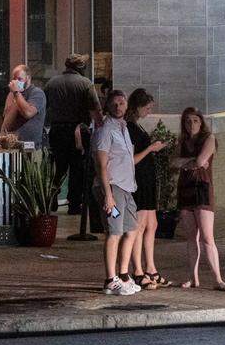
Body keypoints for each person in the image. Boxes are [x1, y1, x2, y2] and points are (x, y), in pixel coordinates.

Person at [174, 107, 225, 292]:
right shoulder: (182, 141)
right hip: (185, 189)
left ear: (201, 122)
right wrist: (189, 162)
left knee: (207, 237)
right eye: (187, 121)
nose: (191, 125)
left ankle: (218, 279)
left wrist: (187, 163)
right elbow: (173, 162)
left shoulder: (209, 138)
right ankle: (193, 278)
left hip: (202, 188)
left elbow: (201, 162)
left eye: (195, 121)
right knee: (191, 238)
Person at [92, 91, 140, 296]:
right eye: (115, 103)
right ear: (108, 107)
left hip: (127, 187)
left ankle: (123, 274)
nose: (119, 106)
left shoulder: (124, 128)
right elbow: (102, 165)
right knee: (114, 232)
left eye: (122, 103)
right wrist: (108, 195)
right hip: (113, 187)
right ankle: (110, 279)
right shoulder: (105, 130)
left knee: (131, 230)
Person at [45, 54, 102, 216]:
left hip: (56, 131)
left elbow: (45, 107)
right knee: (77, 169)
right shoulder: (85, 84)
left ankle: (51, 198)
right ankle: (74, 204)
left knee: (58, 167)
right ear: (81, 68)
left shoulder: (51, 83)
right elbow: (96, 111)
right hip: (78, 132)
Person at [125, 89, 171, 291]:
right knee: (139, 226)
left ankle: (151, 268)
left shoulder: (137, 126)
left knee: (152, 224)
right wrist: (151, 149)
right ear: (137, 106)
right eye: (148, 107)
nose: (149, 111)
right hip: (139, 180)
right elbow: (131, 160)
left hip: (148, 179)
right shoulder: (129, 128)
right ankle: (137, 271)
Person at [0, 64, 47, 148]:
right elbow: (6, 119)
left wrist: (16, 93)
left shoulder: (37, 93)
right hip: (12, 145)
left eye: (19, 79)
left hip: (30, 147)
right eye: (14, 79)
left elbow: (28, 113)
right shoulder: (11, 95)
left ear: (28, 78)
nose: (16, 82)